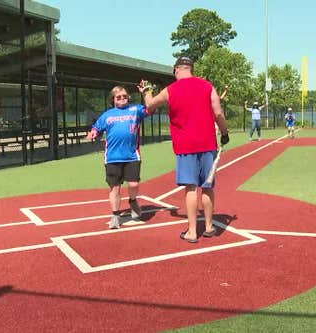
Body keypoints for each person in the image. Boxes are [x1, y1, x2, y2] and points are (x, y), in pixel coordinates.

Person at [137, 56, 229, 243]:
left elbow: (150, 105)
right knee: (207, 186)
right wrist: (225, 133)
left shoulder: (170, 90)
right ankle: (210, 227)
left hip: (185, 145)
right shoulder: (207, 86)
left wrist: (146, 91)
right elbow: (218, 113)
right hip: (207, 143)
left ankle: (193, 231)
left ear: (176, 69)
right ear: (191, 68)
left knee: (190, 187)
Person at [86, 86, 147, 229]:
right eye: (118, 97)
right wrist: (93, 132)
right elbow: (97, 127)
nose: (122, 98)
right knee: (115, 188)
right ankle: (115, 215)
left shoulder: (135, 110)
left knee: (134, 184)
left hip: (132, 156)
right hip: (112, 158)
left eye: (125, 96)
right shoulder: (107, 115)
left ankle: (132, 201)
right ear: (113, 99)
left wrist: (146, 93)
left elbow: (149, 108)